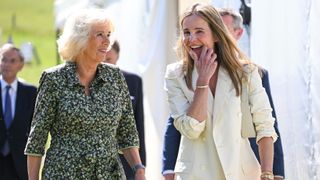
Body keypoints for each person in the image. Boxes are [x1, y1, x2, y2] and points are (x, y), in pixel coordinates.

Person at [162, 7, 285, 180]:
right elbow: (190, 130)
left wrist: (267, 173)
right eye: (186, 32)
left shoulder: (246, 72)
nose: (191, 39)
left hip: (241, 173)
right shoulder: (175, 74)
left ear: (217, 35)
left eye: (199, 31)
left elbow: (265, 126)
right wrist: (202, 82)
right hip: (196, 174)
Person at [24, 9, 145, 180]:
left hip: (109, 175)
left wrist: (139, 169)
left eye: (108, 34)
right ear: (79, 39)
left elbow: (127, 132)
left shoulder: (115, 77)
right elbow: (37, 139)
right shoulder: (53, 79)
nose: (107, 41)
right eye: (100, 35)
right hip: (63, 174)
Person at [104, 40, 146, 180]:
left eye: (109, 59)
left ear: (117, 56)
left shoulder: (133, 81)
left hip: (127, 160)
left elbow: (138, 124)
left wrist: (141, 164)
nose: (105, 64)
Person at [0, 43, 37, 180]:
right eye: (3, 59)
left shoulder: (30, 93)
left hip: (20, 164)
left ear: (21, 65)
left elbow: (36, 128)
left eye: (13, 61)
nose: (7, 64)